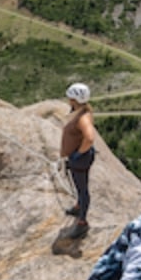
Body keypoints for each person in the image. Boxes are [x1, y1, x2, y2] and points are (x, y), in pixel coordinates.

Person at [61, 82, 97, 235]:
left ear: (74, 100)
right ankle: (78, 207)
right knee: (79, 185)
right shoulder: (81, 112)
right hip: (80, 157)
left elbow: (89, 138)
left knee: (82, 189)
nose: (68, 100)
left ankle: (82, 222)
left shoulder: (83, 118)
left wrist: (78, 154)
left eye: (70, 98)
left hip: (80, 158)